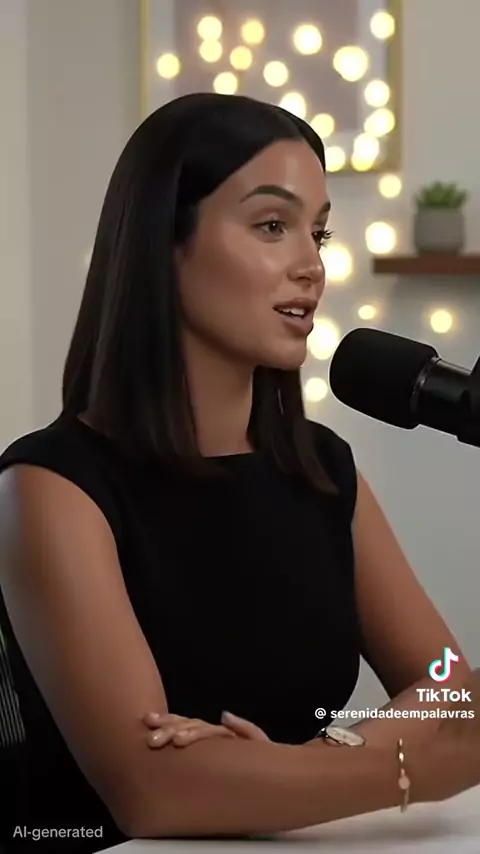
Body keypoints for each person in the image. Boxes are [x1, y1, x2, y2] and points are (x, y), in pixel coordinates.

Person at [0, 92, 479, 853]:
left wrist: (303, 763)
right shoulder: (50, 488)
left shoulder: (325, 470)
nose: (311, 265)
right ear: (165, 244)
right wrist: (404, 769)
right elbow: (155, 792)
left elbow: (455, 690)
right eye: (271, 226)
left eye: (318, 233)